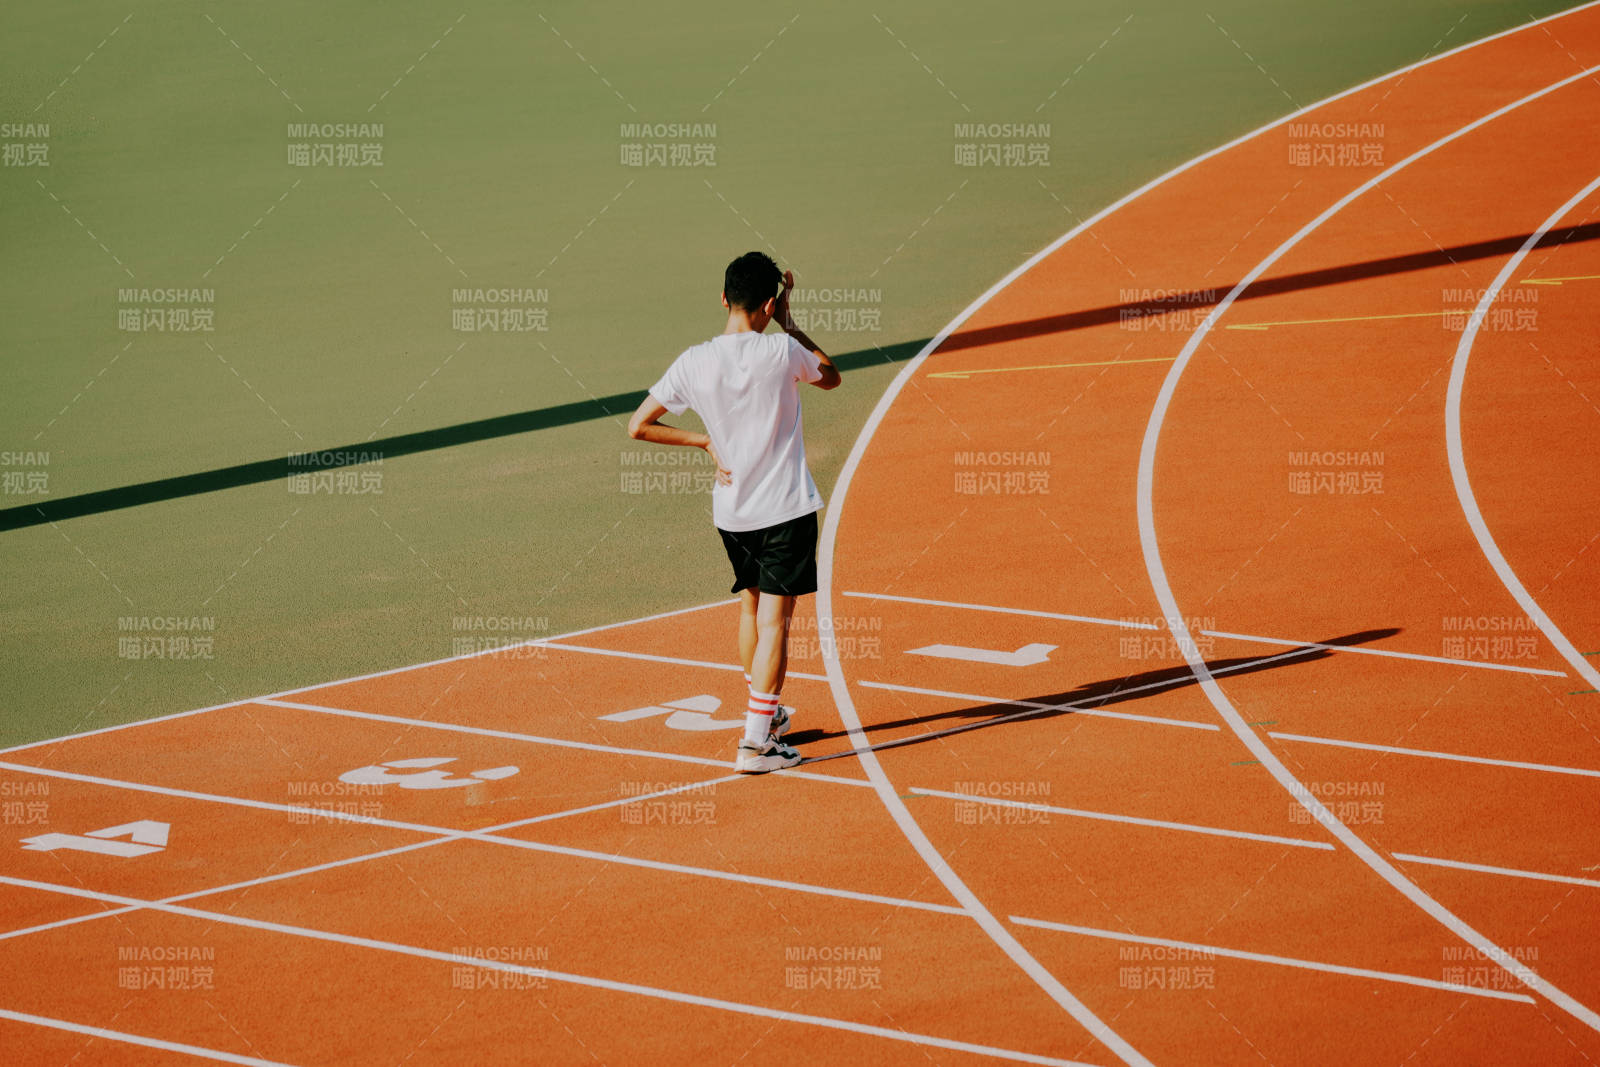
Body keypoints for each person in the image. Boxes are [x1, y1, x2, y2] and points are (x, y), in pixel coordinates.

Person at [628, 251, 841, 773]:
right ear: (769, 304)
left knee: (751, 611)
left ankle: (767, 717)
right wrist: (790, 324)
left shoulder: (693, 361)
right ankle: (755, 743)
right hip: (785, 509)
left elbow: (639, 425)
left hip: (732, 513)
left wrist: (703, 441)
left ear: (724, 298)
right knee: (776, 625)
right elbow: (831, 376)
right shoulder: (782, 350)